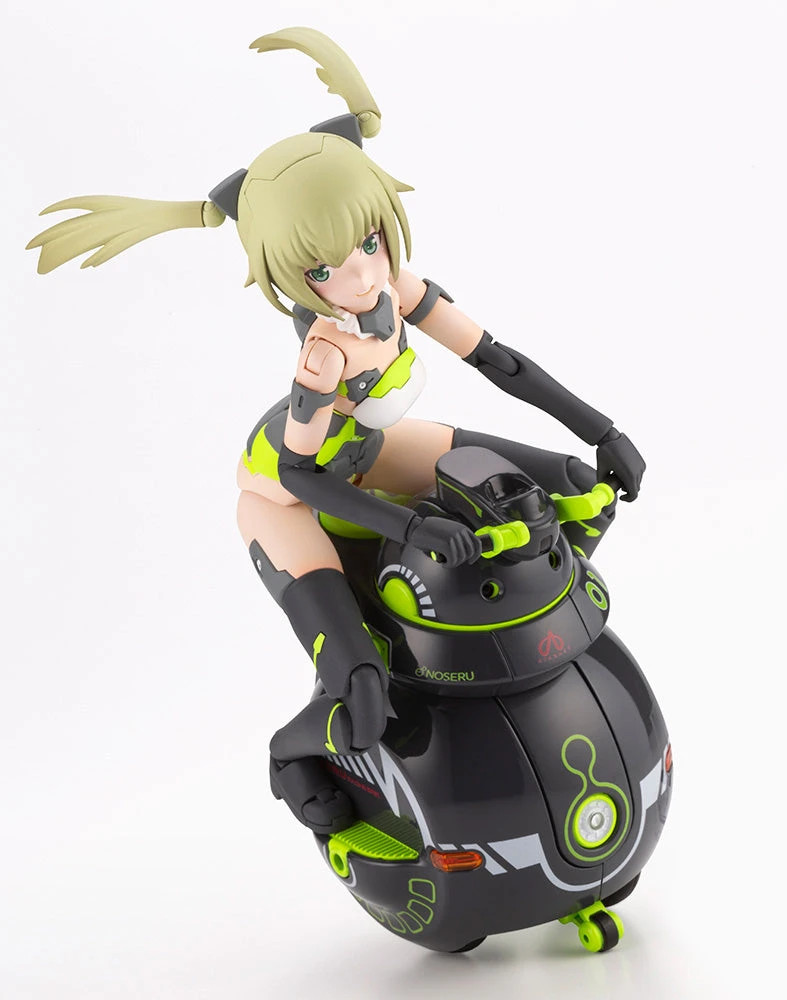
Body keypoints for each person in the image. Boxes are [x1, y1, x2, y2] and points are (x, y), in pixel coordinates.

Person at [27, 27, 645, 835]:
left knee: (574, 490)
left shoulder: (401, 289)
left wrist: (601, 431)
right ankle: (291, 756)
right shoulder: (324, 355)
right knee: (361, 687)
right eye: (322, 269)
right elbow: (301, 477)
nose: (358, 276)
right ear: (294, 275)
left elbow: (499, 361)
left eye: (368, 243)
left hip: (374, 452)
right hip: (285, 496)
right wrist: (415, 528)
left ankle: (534, 622)